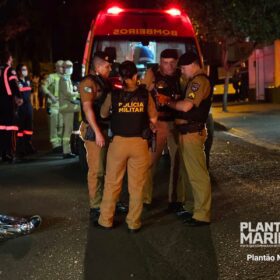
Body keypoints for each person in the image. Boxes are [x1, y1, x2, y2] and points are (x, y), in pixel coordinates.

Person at [98, 61, 157, 232]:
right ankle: (133, 223)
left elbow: (103, 113)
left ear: (121, 77)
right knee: (137, 186)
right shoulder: (145, 95)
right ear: (135, 76)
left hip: (118, 144)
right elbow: (153, 119)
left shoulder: (113, 95)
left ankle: (106, 220)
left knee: (112, 183)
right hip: (139, 143)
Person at [159, 50, 212, 226]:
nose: (181, 71)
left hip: (192, 133)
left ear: (193, 65)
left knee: (197, 175)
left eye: (183, 68)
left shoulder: (199, 81)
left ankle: (202, 214)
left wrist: (167, 101)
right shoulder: (192, 81)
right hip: (185, 133)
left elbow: (186, 106)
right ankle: (191, 207)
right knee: (188, 174)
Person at [79, 51, 127, 224]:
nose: (110, 68)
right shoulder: (88, 83)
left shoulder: (105, 82)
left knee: (110, 169)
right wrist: (98, 132)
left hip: (108, 129)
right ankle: (96, 205)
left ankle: (111, 201)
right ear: (98, 67)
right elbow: (88, 109)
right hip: (95, 131)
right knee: (97, 170)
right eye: (107, 66)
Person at [141, 49, 184, 211]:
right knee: (150, 162)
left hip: (177, 122)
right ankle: (146, 199)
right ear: (160, 62)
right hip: (157, 123)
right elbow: (142, 95)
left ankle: (176, 199)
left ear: (177, 62)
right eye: (165, 63)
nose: (169, 66)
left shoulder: (182, 75)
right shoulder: (152, 73)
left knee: (178, 161)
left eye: (172, 63)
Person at [0, 50, 23, 163]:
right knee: (11, 128)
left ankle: (2, 153)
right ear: (9, 58)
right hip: (8, 102)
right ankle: (10, 153)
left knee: (1, 128)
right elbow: (14, 84)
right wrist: (19, 97)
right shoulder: (9, 70)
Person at [41, 60, 64, 152]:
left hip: (62, 105)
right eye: (60, 66)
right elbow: (43, 87)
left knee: (61, 125)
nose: (62, 68)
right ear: (56, 68)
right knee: (54, 125)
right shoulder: (51, 77)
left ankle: (60, 144)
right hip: (53, 104)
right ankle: (55, 145)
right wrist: (51, 96)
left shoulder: (65, 78)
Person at [59, 60, 80, 158]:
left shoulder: (67, 78)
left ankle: (68, 150)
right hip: (66, 106)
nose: (70, 68)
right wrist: (78, 94)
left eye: (71, 66)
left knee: (69, 129)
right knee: (68, 130)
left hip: (69, 105)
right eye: (68, 67)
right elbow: (68, 93)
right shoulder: (64, 79)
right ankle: (66, 152)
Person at [16, 64, 36, 157]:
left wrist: (32, 105)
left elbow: (30, 93)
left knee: (29, 128)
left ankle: (28, 145)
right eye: (23, 69)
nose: (25, 71)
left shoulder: (28, 81)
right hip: (21, 107)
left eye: (26, 69)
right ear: (19, 71)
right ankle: (20, 148)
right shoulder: (16, 81)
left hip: (28, 106)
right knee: (21, 129)